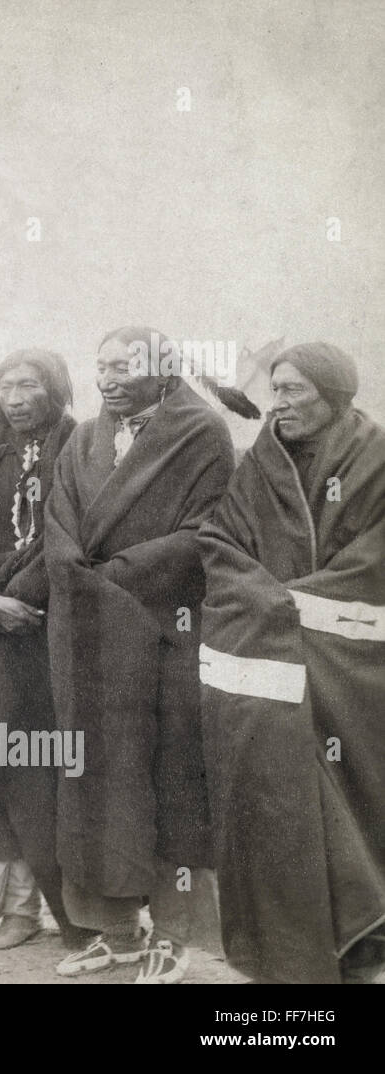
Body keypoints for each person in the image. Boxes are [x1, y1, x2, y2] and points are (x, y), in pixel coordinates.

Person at [45, 326, 241, 983]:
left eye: (123, 366)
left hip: (163, 628)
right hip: (89, 633)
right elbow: (60, 515)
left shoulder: (202, 433)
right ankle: (118, 931)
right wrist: (76, 572)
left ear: (163, 368)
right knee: (99, 780)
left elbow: (209, 530)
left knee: (169, 779)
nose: (106, 378)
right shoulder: (83, 436)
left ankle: (175, 933)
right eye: (100, 366)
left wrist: (119, 574)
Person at [199, 343, 385, 984]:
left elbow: (375, 560)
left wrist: (299, 605)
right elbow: (221, 541)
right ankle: (292, 957)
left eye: (295, 391)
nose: (278, 404)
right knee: (277, 802)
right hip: (269, 667)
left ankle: (363, 944)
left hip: (351, 669)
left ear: (334, 396)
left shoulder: (378, 459)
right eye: (275, 390)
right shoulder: (258, 466)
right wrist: (269, 607)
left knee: (354, 800)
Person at [0, 348, 89, 950]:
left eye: (29, 384)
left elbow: (73, 531)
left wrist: (21, 598)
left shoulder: (82, 444)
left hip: (52, 628)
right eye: (6, 385)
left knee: (54, 765)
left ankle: (75, 904)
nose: (15, 396)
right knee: (0, 759)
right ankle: (18, 902)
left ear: (55, 389)